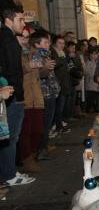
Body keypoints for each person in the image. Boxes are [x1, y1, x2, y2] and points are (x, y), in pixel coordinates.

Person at [0, 2, 36, 187]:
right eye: (20, 19)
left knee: (9, 137)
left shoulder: (8, 38)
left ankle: (8, 172)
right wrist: (14, 94)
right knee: (10, 137)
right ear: (8, 19)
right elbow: (10, 71)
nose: (23, 23)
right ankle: (9, 175)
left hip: (11, 95)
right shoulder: (7, 40)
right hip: (11, 97)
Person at [17, 27, 45, 173]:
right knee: (25, 132)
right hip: (25, 97)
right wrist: (30, 66)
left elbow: (42, 72)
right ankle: (27, 159)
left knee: (38, 129)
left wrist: (45, 67)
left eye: (27, 37)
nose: (25, 40)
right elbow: (17, 69)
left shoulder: (33, 52)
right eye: (22, 37)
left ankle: (31, 155)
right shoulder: (15, 52)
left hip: (37, 97)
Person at [31, 30, 59, 160]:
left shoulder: (46, 54)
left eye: (48, 41)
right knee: (44, 123)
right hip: (44, 93)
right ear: (37, 44)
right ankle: (40, 149)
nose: (48, 44)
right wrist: (45, 67)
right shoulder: (37, 55)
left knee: (47, 122)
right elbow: (40, 74)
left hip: (50, 91)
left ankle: (45, 145)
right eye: (45, 42)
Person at [51, 35, 71, 134]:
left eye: (63, 43)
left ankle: (59, 125)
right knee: (58, 107)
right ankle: (58, 126)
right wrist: (62, 59)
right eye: (59, 43)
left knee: (61, 106)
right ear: (55, 43)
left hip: (63, 82)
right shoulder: (54, 53)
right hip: (57, 83)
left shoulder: (63, 53)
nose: (62, 45)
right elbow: (55, 65)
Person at [83, 46, 99, 112]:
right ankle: (88, 108)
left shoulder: (98, 62)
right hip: (91, 83)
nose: (94, 55)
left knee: (98, 97)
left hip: (98, 83)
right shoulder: (88, 62)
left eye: (95, 54)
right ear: (90, 55)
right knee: (91, 97)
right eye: (93, 54)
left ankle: (97, 108)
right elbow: (86, 72)